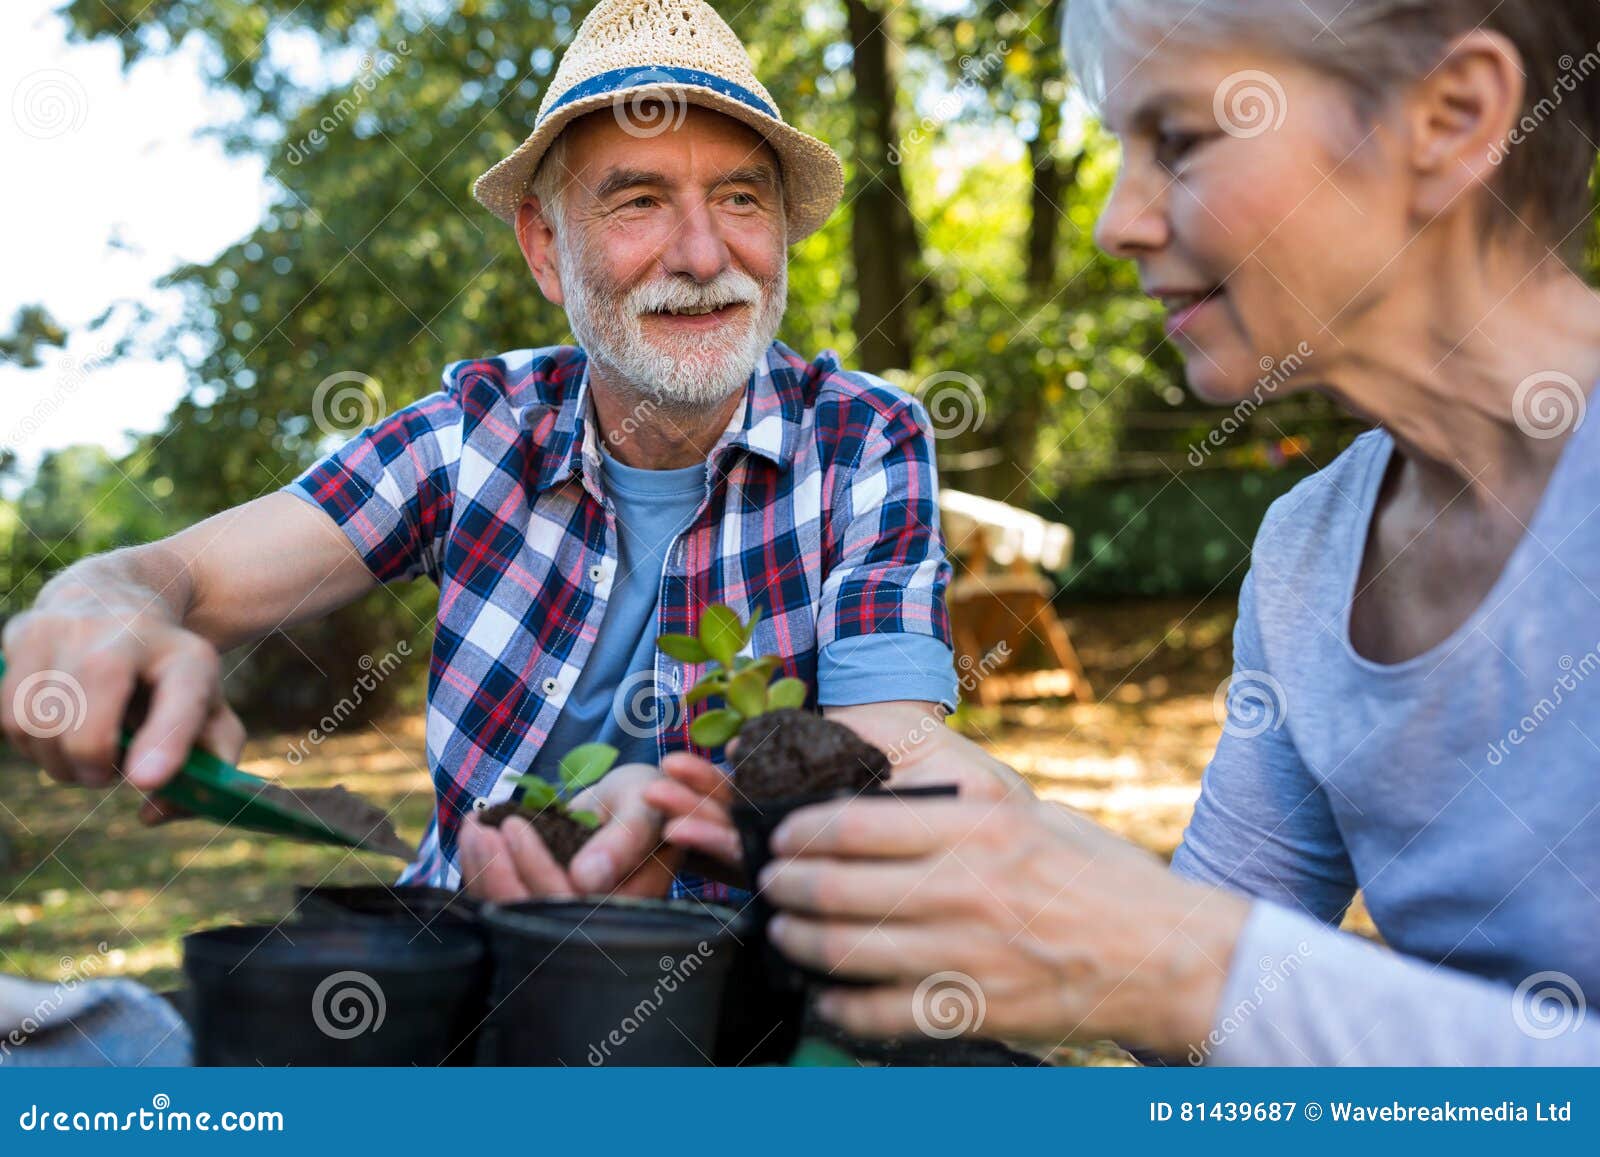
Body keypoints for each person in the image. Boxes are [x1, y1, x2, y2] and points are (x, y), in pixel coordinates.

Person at [655, 0, 1600, 1064]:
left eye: (1179, 142)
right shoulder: (1309, 550)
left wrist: (1173, 960)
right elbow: (1198, 1021)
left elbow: (1192, 966)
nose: (1117, 222)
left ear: (1453, 117)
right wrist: (977, 865)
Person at [0, 0, 964, 902]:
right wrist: (97, 605)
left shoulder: (863, 439)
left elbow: (892, 758)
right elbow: (178, 574)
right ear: (544, 248)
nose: (704, 254)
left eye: (742, 197)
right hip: (464, 972)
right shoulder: (478, 434)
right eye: (638, 201)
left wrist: (687, 820)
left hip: (748, 1011)